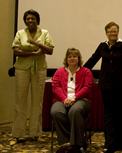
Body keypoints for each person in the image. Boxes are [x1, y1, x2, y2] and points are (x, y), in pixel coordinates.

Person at [83, 22, 122, 153]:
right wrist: (81, 71)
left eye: (115, 31)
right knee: (109, 115)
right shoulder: (102, 46)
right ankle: (109, 143)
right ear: (106, 33)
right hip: (106, 85)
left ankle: (119, 143)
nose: (113, 34)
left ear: (118, 32)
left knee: (121, 114)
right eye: (110, 31)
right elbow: (93, 59)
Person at [11, 9, 54, 145]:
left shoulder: (44, 33)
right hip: (22, 69)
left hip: (39, 69)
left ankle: (35, 134)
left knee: (37, 102)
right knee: (20, 101)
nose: (30, 21)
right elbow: (16, 51)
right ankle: (18, 135)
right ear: (25, 21)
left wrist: (38, 44)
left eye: (33, 18)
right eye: (28, 19)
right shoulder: (20, 33)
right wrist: (34, 53)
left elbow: (50, 50)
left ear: (37, 20)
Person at [51, 47, 93, 153]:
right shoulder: (59, 71)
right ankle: (66, 143)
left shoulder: (86, 71)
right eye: (70, 57)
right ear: (66, 59)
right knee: (56, 111)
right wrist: (64, 99)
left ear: (79, 59)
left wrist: (74, 98)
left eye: (75, 56)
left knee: (75, 110)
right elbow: (56, 87)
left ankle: (77, 144)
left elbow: (87, 87)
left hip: (81, 100)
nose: (72, 58)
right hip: (62, 99)